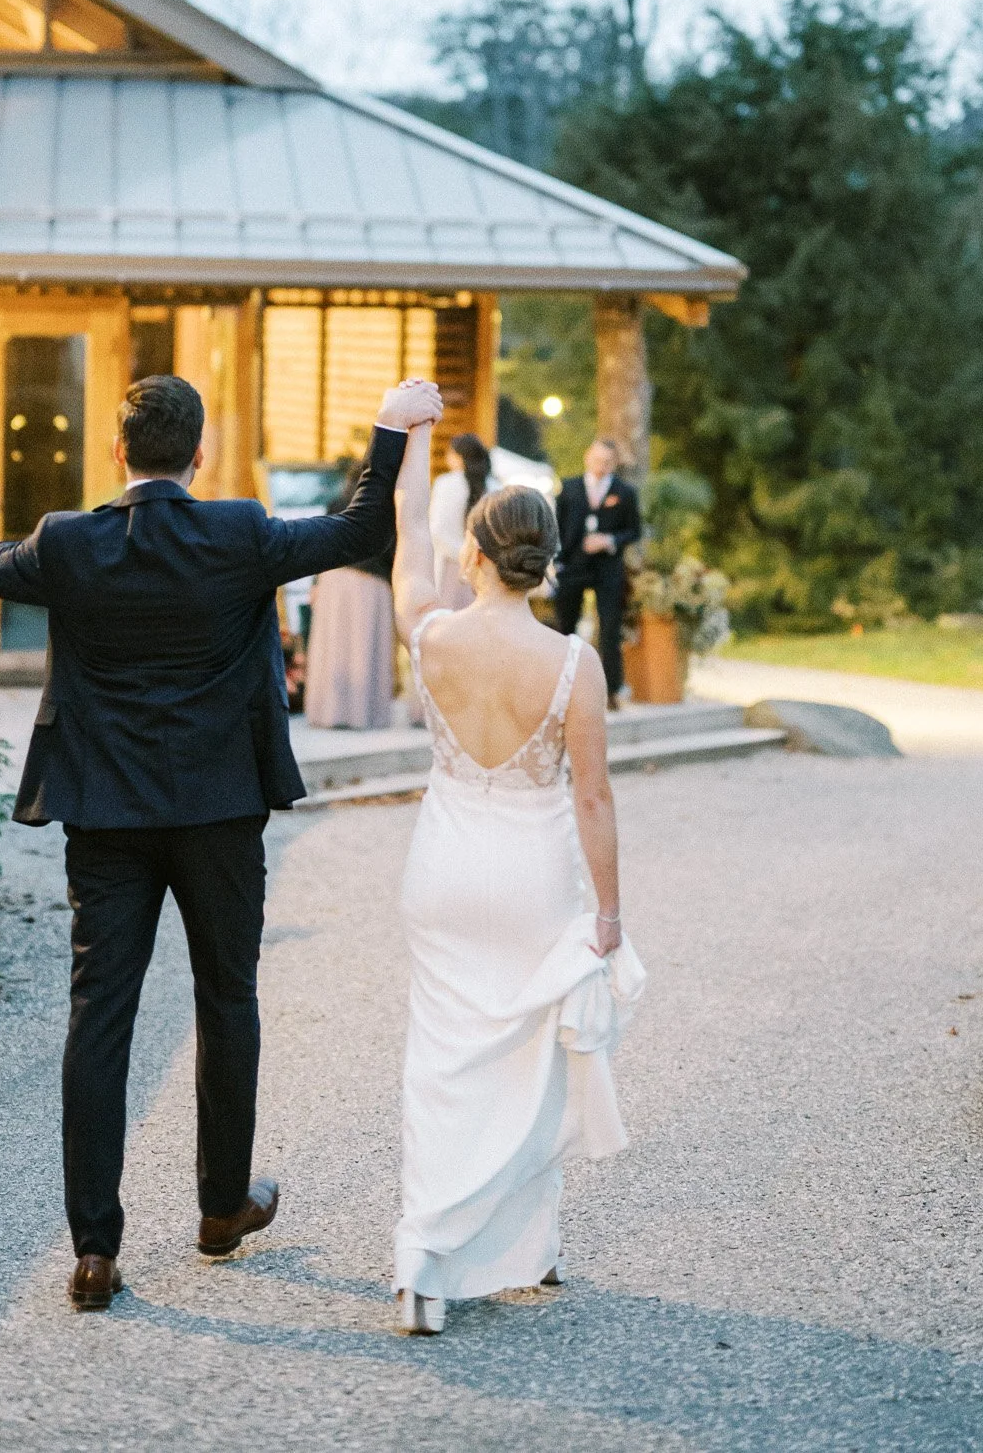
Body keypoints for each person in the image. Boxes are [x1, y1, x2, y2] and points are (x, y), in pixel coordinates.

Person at [0, 372, 443, 1311]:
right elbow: (363, 531)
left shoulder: (69, 542)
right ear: (196, 454)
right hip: (218, 813)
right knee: (226, 996)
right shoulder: (238, 532)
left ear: (119, 453)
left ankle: (93, 1251)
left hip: (106, 820)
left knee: (99, 1017)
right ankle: (218, 1207)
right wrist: (389, 427)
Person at [389, 424, 646, 1335]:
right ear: (541, 565)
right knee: (528, 1064)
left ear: (476, 553)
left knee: (441, 1064)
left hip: (445, 868)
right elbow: (594, 800)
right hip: (534, 880)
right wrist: (609, 912)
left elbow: (406, 527)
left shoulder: (430, 635)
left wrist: (410, 433)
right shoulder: (575, 666)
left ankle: (426, 1265)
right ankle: (519, 1251)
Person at [302, 460, 396, 728]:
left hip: (334, 578)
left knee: (333, 647)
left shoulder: (337, 501)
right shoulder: (385, 507)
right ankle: (361, 715)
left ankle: (328, 712)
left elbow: (320, 542)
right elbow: (392, 551)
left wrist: (315, 583)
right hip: (371, 583)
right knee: (362, 648)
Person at [554, 436, 642, 707]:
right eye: (597, 459)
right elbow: (556, 526)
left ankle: (612, 690)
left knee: (610, 627)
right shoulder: (569, 488)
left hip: (607, 568)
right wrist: (558, 560)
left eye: (607, 461)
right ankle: (559, 686)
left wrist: (609, 540)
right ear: (587, 457)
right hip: (573, 565)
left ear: (614, 463)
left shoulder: (625, 492)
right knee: (564, 627)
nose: (601, 465)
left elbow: (634, 531)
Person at [427, 433, 499, 608]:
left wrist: (461, 554)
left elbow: (436, 529)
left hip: (450, 568)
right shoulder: (496, 488)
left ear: (459, 456)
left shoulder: (445, 484)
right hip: (484, 569)